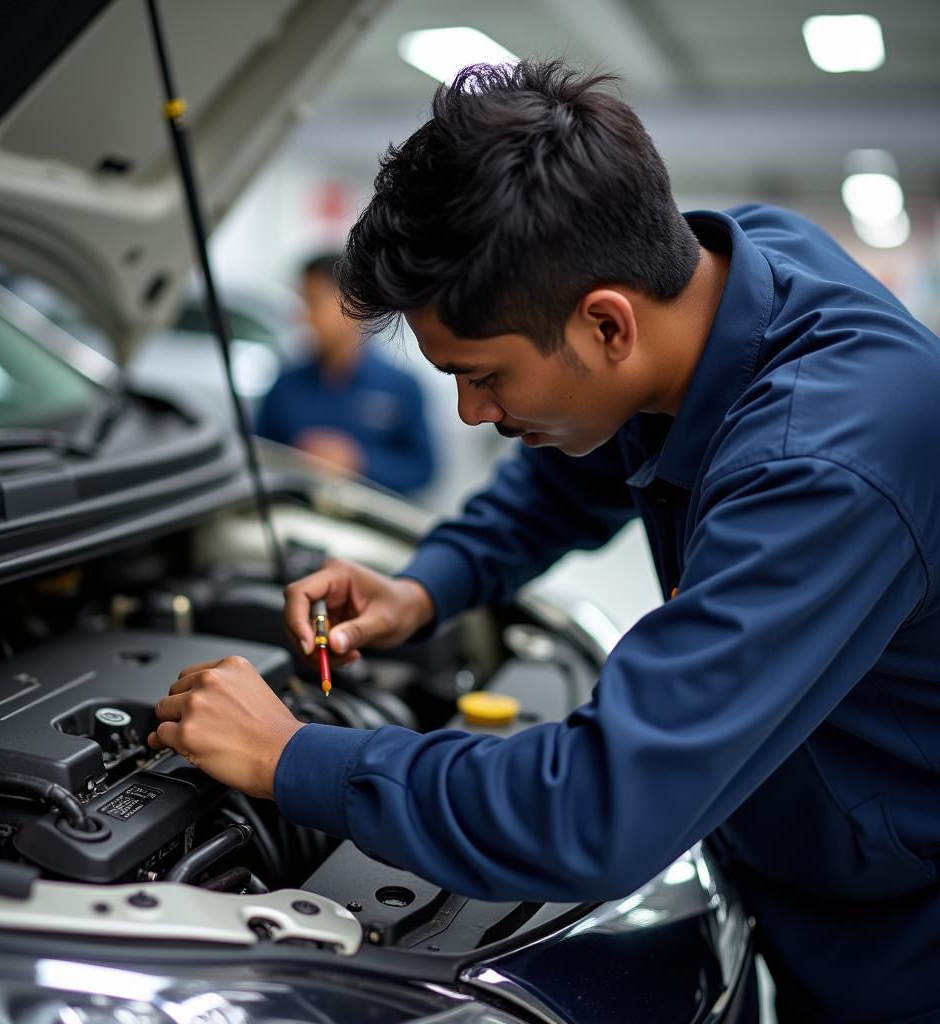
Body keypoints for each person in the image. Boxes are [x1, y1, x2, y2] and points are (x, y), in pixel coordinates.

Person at [150, 62, 940, 1022]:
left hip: (902, 943)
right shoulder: (727, 273)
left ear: (607, 322)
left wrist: (293, 759)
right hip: (803, 849)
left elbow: (599, 807)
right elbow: (578, 467)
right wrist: (427, 587)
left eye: (484, 377)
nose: (472, 414)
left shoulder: (824, 464)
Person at [254, 252, 434, 495]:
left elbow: (423, 469)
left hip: (368, 524)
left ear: (352, 302)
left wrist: (358, 461)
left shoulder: (401, 387)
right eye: (303, 302)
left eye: (313, 301)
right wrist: (294, 459)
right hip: (295, 517)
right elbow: (257, 453)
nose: (304, 316)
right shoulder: (286, 384)